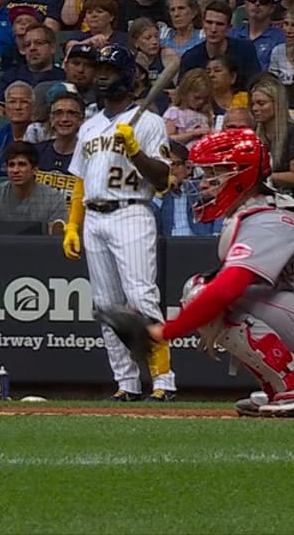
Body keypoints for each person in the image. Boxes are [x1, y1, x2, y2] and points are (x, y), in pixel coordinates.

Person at [122, 129, 294, 415]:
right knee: (206, 289)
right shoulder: (259, 211)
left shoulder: (266, 219)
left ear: (240, 175)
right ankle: (281, 389)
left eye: (214, 174)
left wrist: (164, 332)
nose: (204, 184)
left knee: (205, 293)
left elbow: (228, 288)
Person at [63, 45, 176, 402]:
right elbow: (80, 180)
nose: (100, 76)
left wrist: (135, 152)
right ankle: (125, 382)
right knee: (107, 305)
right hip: (94, 217)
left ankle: (163, 381)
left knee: (141, 297)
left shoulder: (150, 122)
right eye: (99, 69)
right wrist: (72, 225)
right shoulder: (90, 125)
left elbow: (162, 179)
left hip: (131, 211)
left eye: (109, 70)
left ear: (126, 77)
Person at [0, 141, 67, 228]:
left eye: (22, 164)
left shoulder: (54, 199)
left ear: (35, 170)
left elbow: (56, 238)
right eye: (11, 165)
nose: (15, 170)